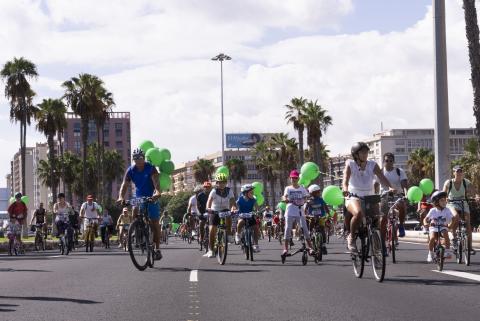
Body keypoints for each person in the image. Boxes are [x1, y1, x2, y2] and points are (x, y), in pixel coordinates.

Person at [342, 142, 395, 252]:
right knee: (359, 214)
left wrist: (390, 187)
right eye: (362, 152)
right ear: (356, 154)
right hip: (353, 195)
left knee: (377, 218)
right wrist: (345, 190)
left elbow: (381, 177)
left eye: (366, 152)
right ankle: (351, 238)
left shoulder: (372, 164)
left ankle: (377, 244)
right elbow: (345, 181)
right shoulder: (350, 164)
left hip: (370, 195)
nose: (365, 154)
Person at [117, 148, 162, 260]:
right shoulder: (131, 170)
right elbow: (124, 185)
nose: (138, 160)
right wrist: (120, 197)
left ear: (144, 158)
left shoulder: (151, 168)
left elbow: (156, 183)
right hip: (139, 196)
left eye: (140, 158)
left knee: (155, 223)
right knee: (135, 211)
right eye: (135, 158)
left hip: (151, 196)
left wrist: (157, 192)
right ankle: (136, 230)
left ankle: (157, 248)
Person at [443, 165, 479, 255]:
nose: (459, 173)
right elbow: (443, 193)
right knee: (456, 216)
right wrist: (445, 198)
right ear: (453, 173)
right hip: (452, 203)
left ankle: (470, 248)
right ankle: (452, 235)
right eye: (457, 171)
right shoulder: (449, 183)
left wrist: (476, 196)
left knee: (468, 226)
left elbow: (473, 190)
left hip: (463, 203)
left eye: (460, 171)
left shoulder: (465, 182)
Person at [374, 152, 409, 237]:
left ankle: (401, 225)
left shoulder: (399, 171)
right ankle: (383, 237)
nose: (389, 162)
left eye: (391, 161)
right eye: (386, 160)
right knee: (383, 217)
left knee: (402, 205)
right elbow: (375, 186)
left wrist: (406, 195)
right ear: (383, 161)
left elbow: (404, 185)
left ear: (393, 162)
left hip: (397, 195)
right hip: (384, 196)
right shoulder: (380, 172)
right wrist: (375, 198)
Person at [282, 169, 314, 256]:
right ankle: (285, 249)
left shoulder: (302, 188)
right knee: (288, 228)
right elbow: (284, 196)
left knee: (305, 229)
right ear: (290, 179)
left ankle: (310, 247)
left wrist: (309, 199)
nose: (294, 179)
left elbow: (307, 196)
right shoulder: (288, 188)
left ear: (298, 179)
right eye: (292, 178)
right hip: (290, 211)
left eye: (295, 178)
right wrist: (286, 199)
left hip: (300, 211)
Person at [205, 173, 237, 258]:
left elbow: (233, 201)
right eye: (219, 182)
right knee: (212, 229)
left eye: (223, 182)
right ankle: (211, 250)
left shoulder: (229, 190)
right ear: (217, 183)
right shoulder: (214, 191)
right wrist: (208, 208)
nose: (221, 184)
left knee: (229, 215)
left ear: (226, 182)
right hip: (214, 210)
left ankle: (229, 235)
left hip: (225, 209)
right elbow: (209, 201)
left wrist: (234, 208)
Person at [423, 191, 453, 262]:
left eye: (445, 200)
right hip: (434, 227)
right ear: (436, 202)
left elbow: (451, 218)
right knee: (432, 238)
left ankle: (447, 251)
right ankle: (430, 253)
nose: (444, 202)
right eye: (442, 200)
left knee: (445, 234)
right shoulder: (433, 210)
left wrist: (449, 225)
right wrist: (425, 223)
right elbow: (426, 219)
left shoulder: (447, 210)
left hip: (443, 226)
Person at [304, 184, 329, 254]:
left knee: (322, 230)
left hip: (321, 217)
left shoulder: (321, 200)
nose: (319, 193)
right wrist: (305, 214)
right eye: (317, 192)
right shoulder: (309, 201)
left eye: (319, 191)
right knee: (311, 221)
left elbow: (326, 208)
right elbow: (305, 209)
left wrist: (328, 214)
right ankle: (310, 232)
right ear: (312, 193)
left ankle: (323, 245)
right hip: (312, 217)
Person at [235, 184, 260, 252]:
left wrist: (257, 211)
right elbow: (235, 206)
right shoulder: (240, 199)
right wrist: (234, 209)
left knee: (255, 227)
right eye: (251, 192)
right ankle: (238, 235)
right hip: (242, 216)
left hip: (250, 216)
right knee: (241, 222)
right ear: (245, 193)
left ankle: (256, 245)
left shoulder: (253, 199)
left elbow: (257, 207)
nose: (252, 193)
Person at [196, 181, 212, 249]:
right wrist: (199, 213)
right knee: (201, 224)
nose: (207, 189)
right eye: (206, 187)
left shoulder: (212, 194)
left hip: (211, 212)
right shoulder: (200, 195)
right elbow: (197, 206)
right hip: (202, 212)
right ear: (204, 188)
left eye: (208, 187)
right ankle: (201, 238)